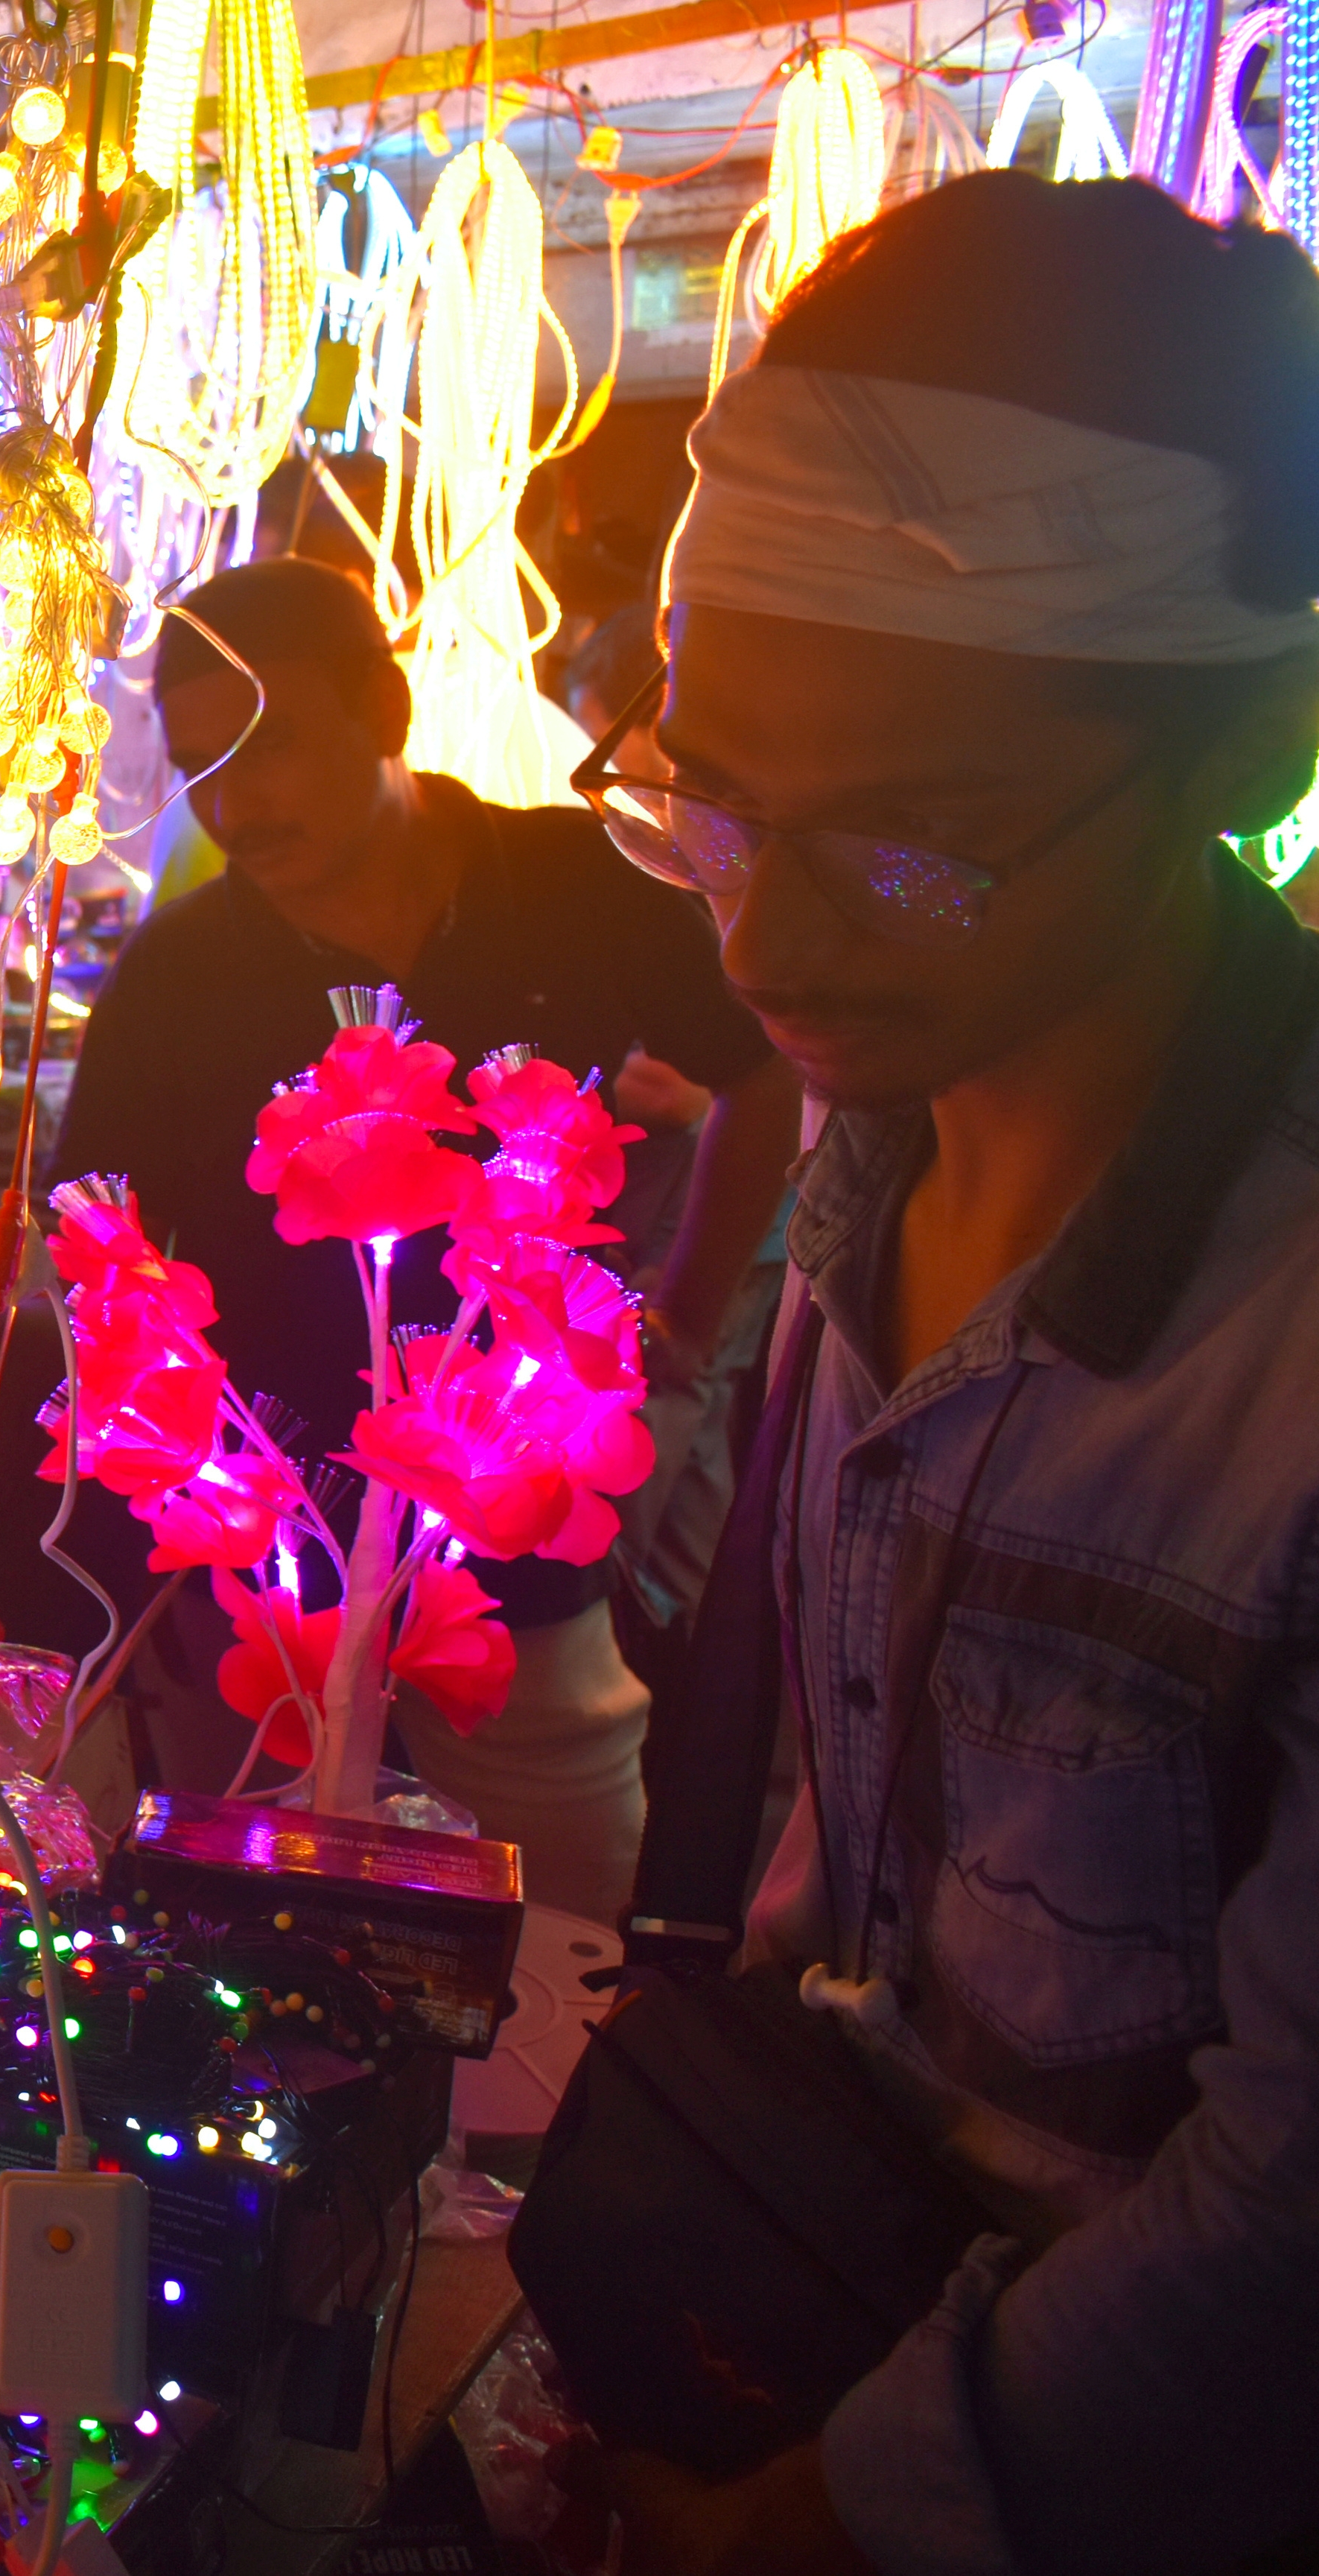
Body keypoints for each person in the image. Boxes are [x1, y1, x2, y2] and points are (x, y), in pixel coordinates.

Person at [579, 173, 1319, 2576]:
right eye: (710, 806)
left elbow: (1285, 2221)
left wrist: (823, 2513)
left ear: (1250, 748)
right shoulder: (851, 1156)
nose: (768, 935)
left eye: (912, 851)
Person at [0, 557, 801, 1920]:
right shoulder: (181, 972)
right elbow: (98, 1254)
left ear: (386, 708)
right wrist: (167, 1491)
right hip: (262, 1556)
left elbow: (761, 1069)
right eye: (202, 761)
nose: (234, 797)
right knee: (263, 1948)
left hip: (511, 1536)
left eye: (272, 740)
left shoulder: (570, 883)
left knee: (564, 1933)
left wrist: (686, 1316)